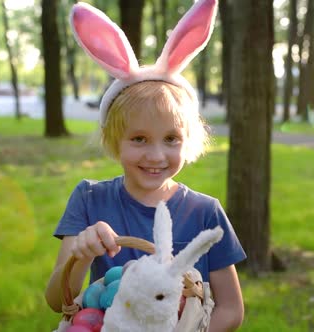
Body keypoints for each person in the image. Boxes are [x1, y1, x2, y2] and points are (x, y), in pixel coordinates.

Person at [45, 0, 246, 330]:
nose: (156, 155)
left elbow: (231, 309)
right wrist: (82, 253)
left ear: (188, 140)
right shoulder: (90, 200)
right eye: (139, 139)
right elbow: (58, 302)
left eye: (170, 139)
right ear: (114, 140)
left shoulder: (205, 212)